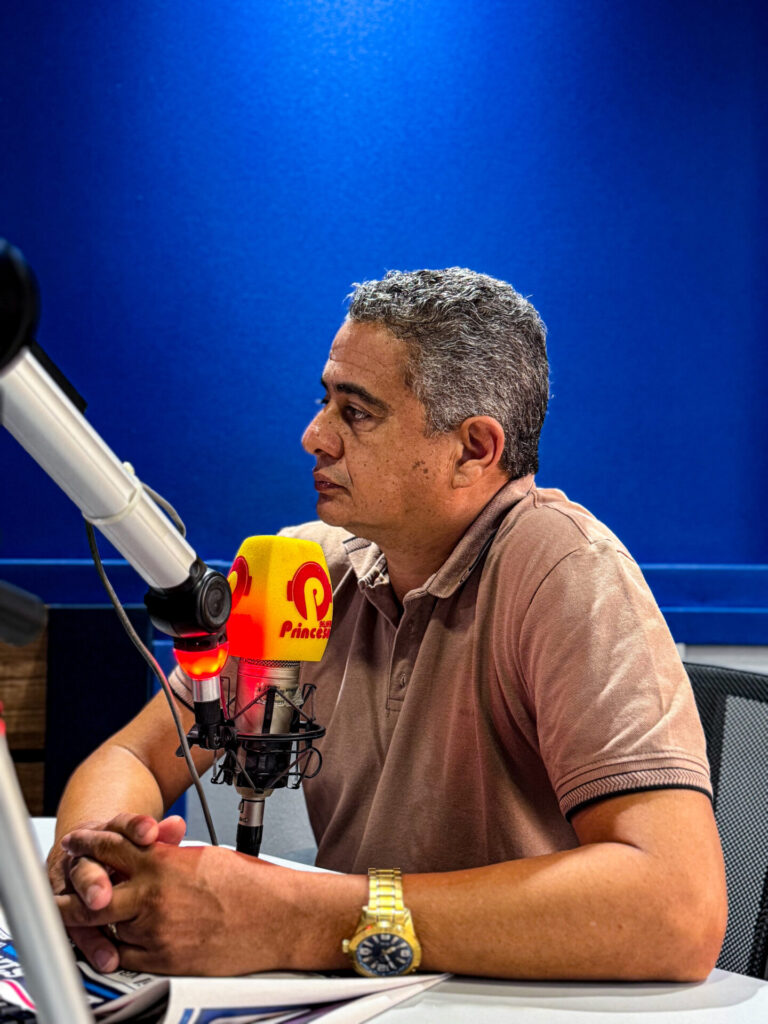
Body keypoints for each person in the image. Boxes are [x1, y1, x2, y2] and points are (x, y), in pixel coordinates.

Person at [50, 268, 726, 981]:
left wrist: (297, 919)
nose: (314, 436)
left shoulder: (566, 570)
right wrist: (95, 870)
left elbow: (678, 909)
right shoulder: (307, 572)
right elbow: (134, 757)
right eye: (324, 401)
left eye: (356, 412)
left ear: (474, 449)